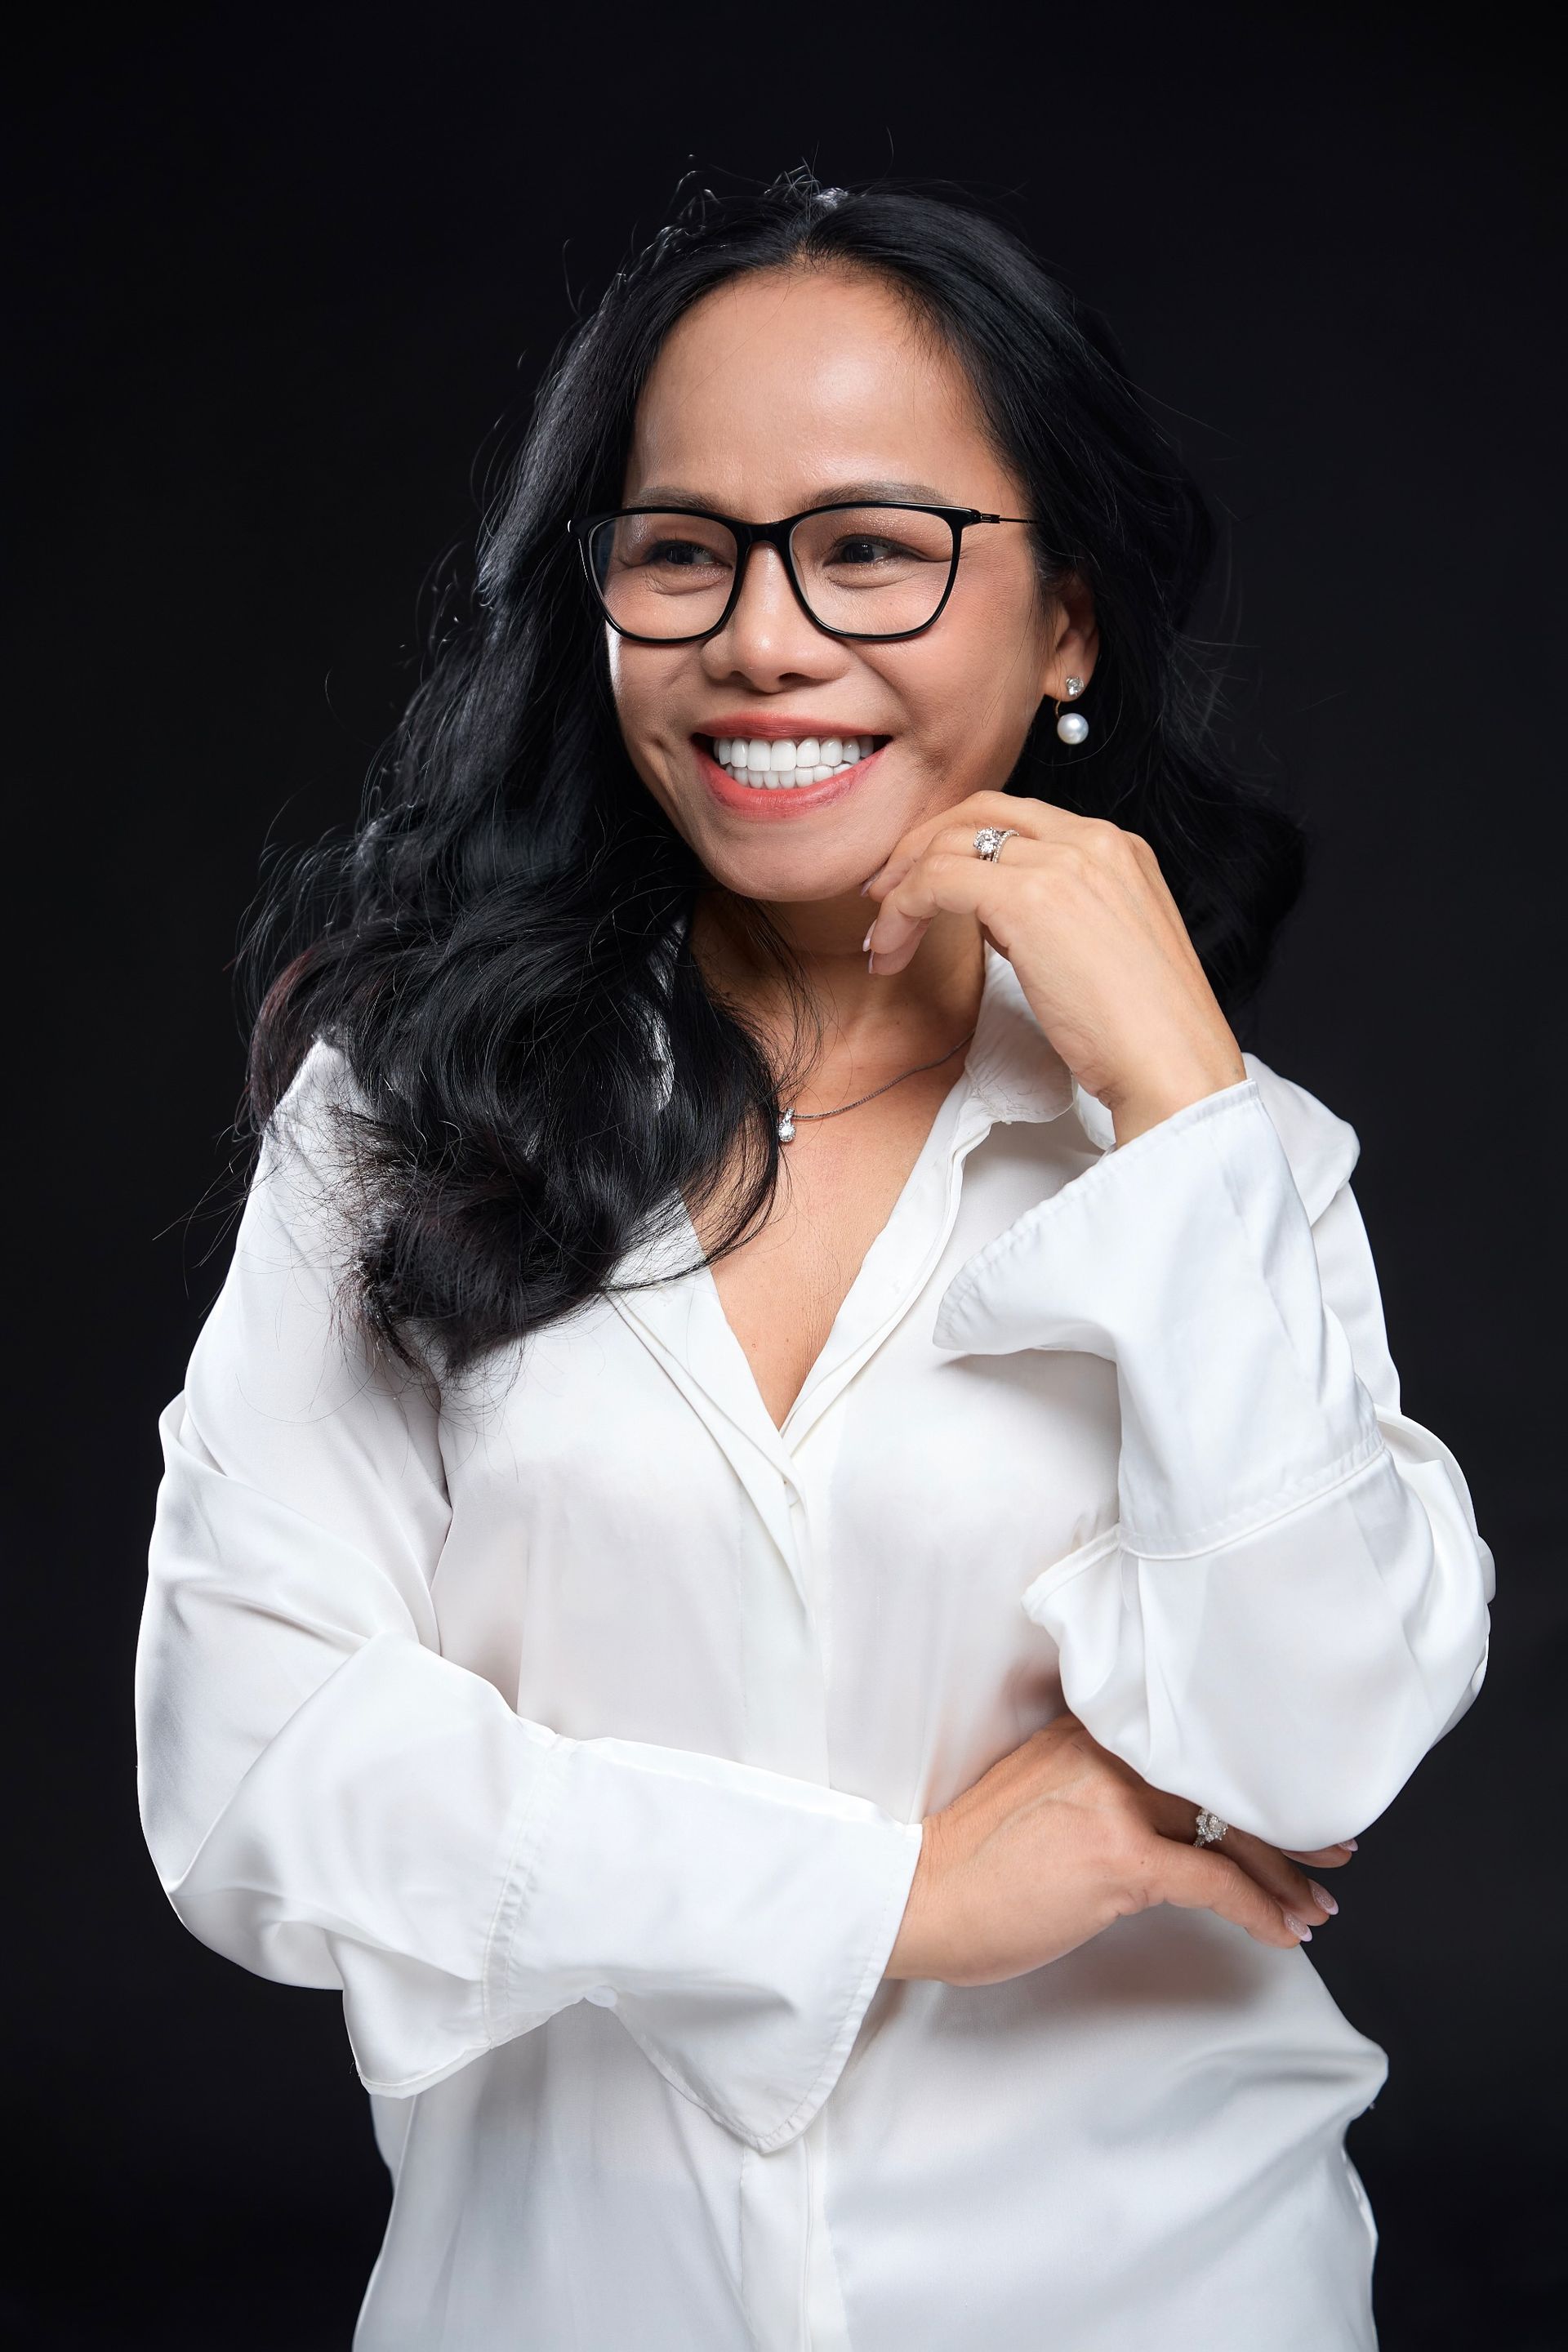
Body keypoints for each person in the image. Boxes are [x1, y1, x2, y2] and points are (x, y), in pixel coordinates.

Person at [136, 173, 1494, 2351]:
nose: (765, 638)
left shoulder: (1226, 1177)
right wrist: (904, 1899)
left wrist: (1177, 1091)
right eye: (683, 550)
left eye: (874, 548)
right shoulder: (404, 1113)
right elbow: (248, 1773)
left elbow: (1314, 1738)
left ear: (1065, 620)